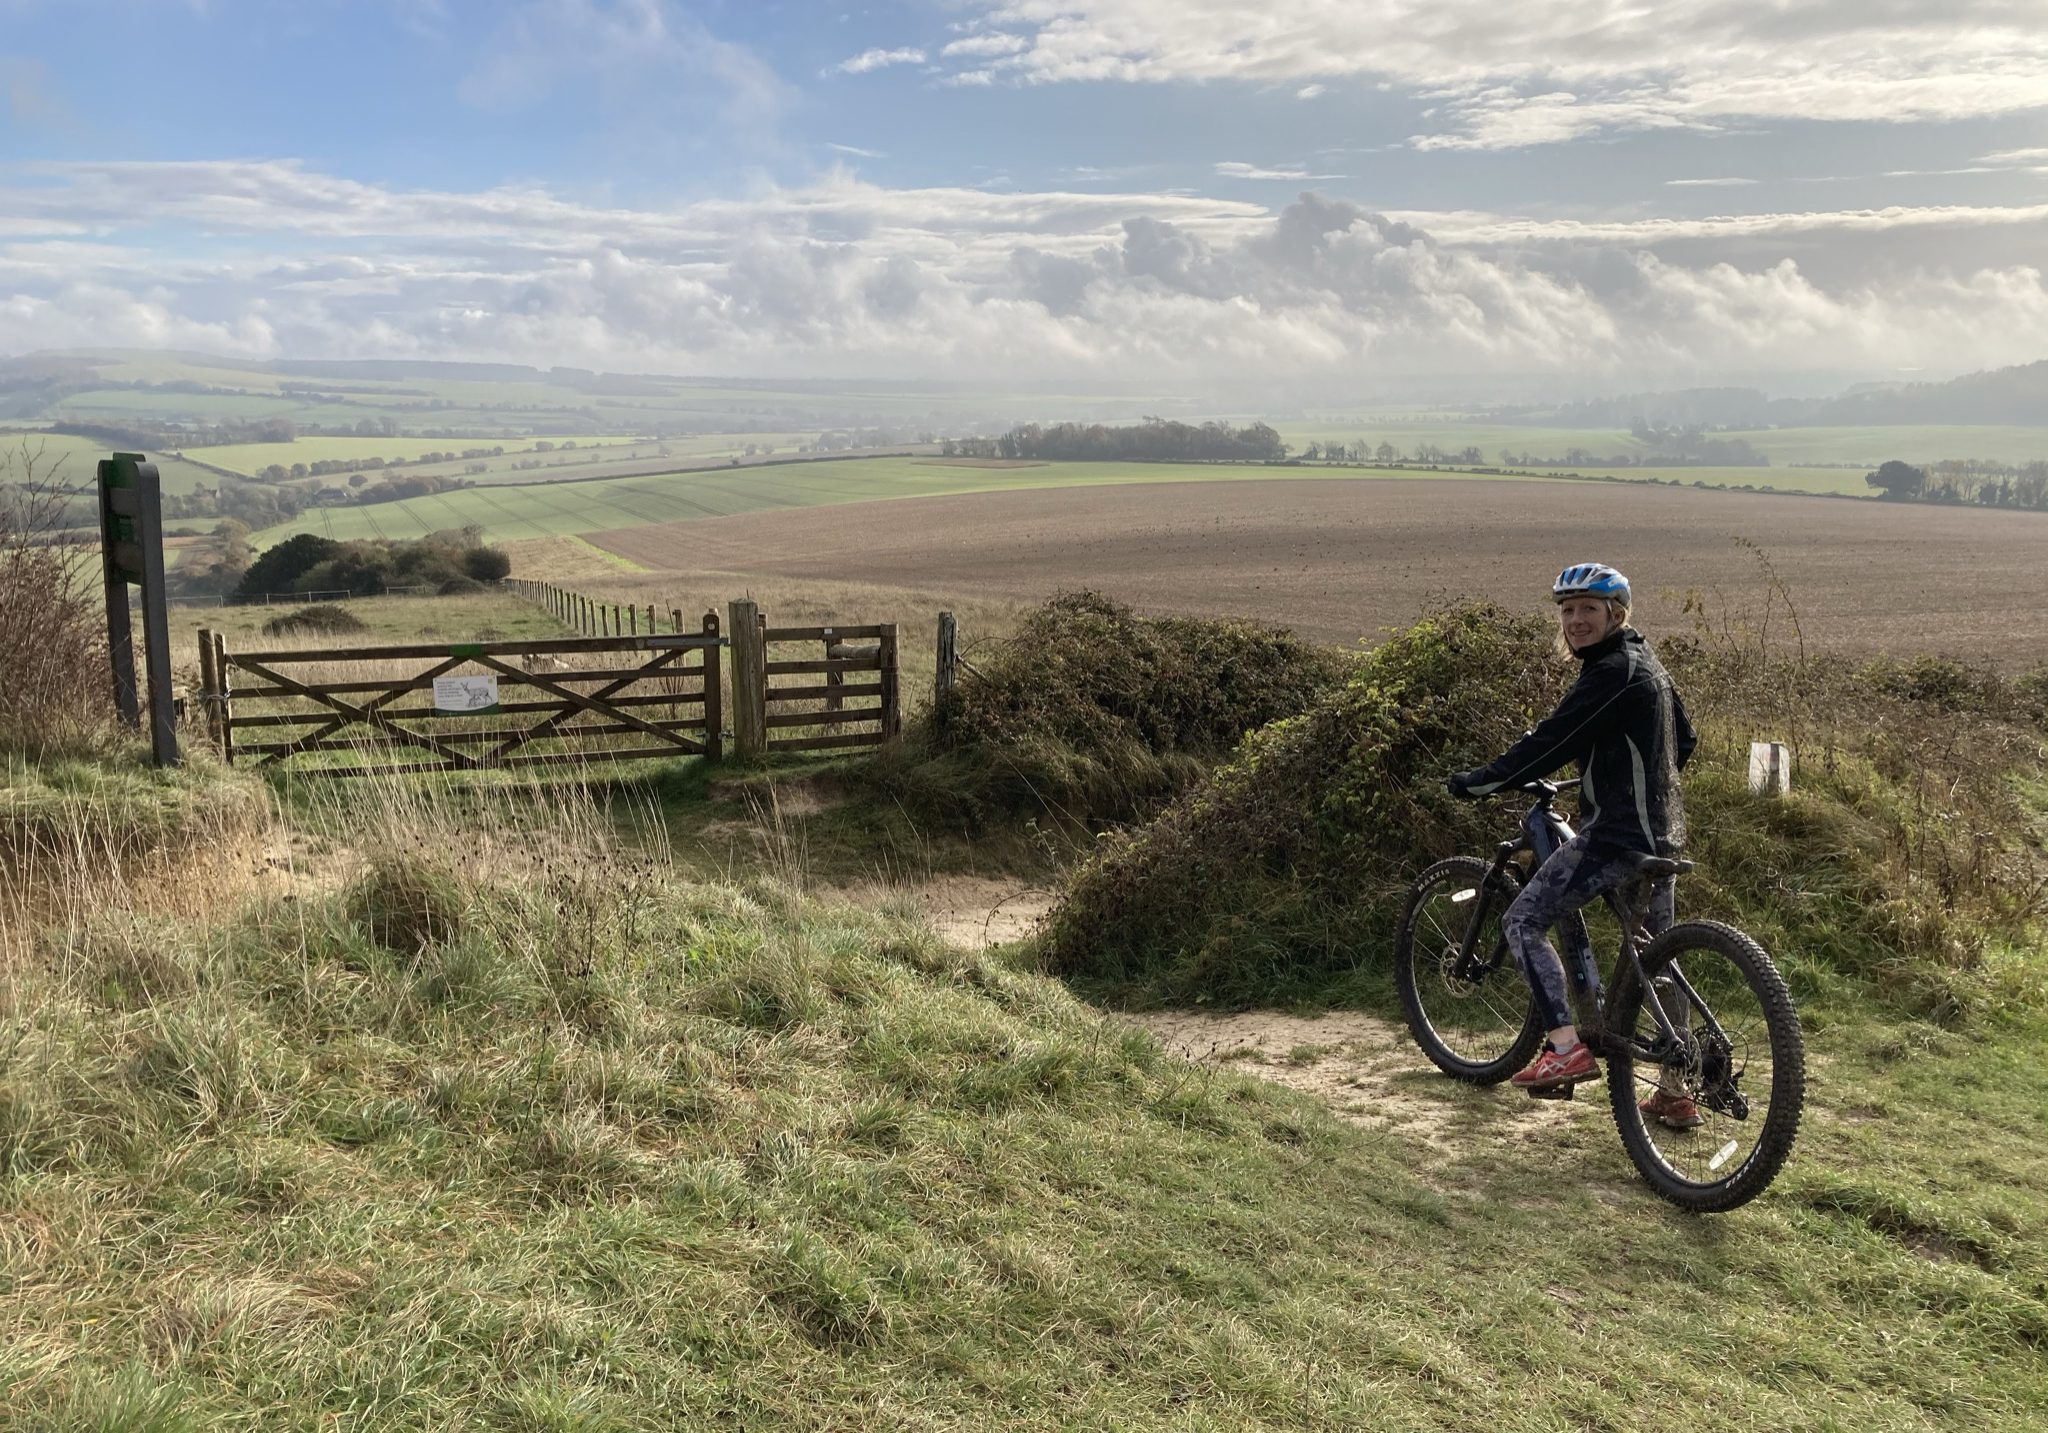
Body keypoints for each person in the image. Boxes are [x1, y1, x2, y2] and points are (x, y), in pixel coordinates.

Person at [1446, 562, 1703, 1128]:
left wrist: (1480, 781)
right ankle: (1675, 1089)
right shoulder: (1647, 662)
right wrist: (1620, 781)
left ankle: (1564, 1048)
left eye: (1589, 608)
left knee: (1521, 921)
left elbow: (1549, 742)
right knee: (1657, 958)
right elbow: (1683, 740)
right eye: (1566, 610)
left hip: (1616, 838)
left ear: (1617, 613)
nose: (1575, 620)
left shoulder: (1610, 671)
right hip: (1663, 832)